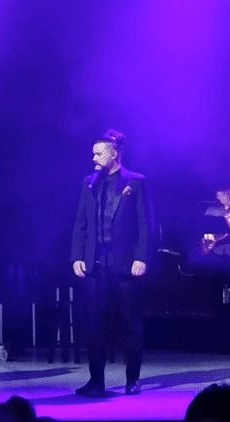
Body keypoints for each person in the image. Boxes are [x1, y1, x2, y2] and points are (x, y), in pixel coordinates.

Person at [71, 129, 153, 397]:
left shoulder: (136, 182)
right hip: (96, 262)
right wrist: (77, 256)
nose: (93, 157)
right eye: (93, 152)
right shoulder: (89, 183)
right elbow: (81, 222)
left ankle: (133, 379)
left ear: (114, 154)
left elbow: (145, 224)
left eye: (98, 152)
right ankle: (97, 381)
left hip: (125, 262)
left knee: (131, 322)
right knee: (95, 322)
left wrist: (141, 257)